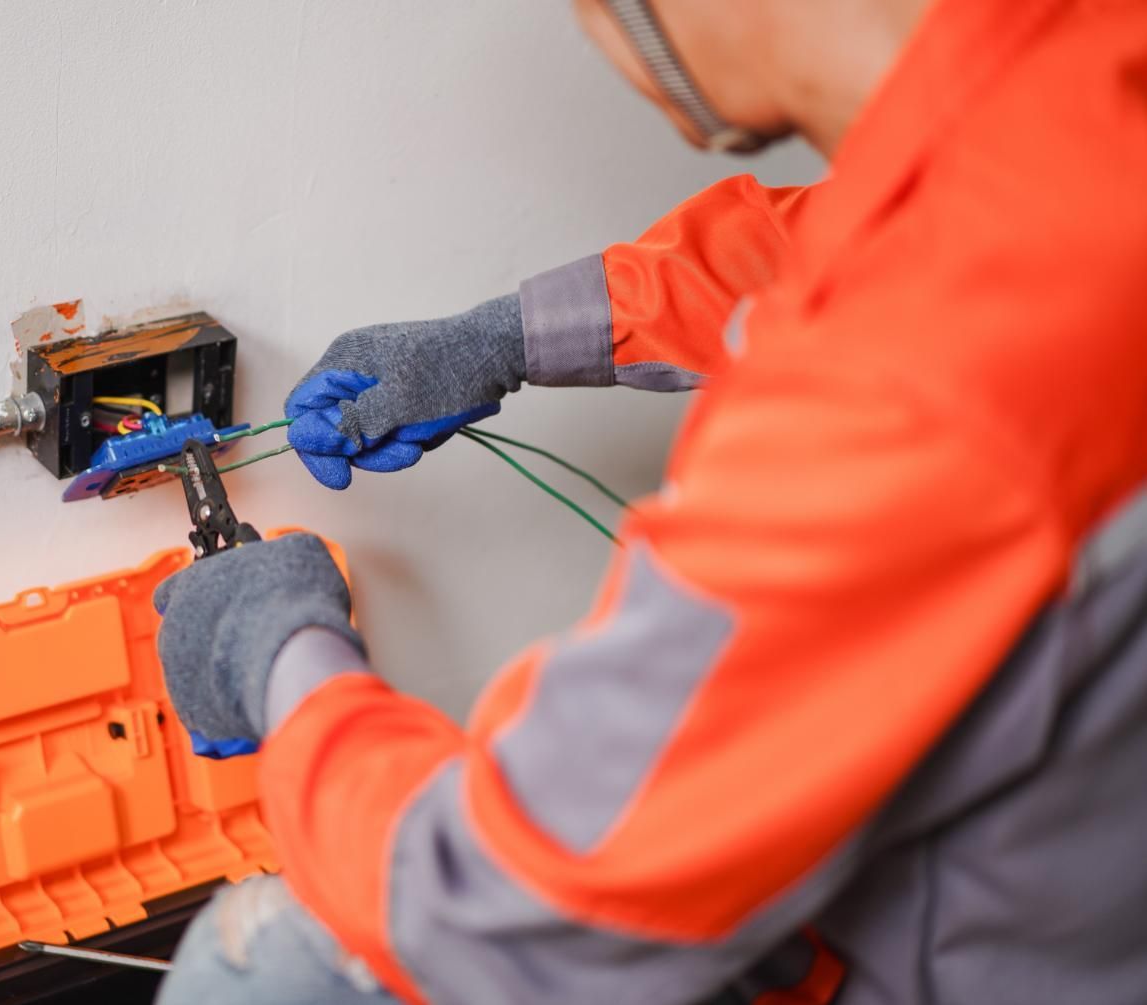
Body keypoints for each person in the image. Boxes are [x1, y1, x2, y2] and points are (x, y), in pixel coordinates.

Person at [153, 0, 1147, 1001]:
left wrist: (276, 654)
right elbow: (849, 244)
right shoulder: (1082, 88)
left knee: (263, 974)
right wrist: (510, 336)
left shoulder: (915, 384)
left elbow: (507, 910)